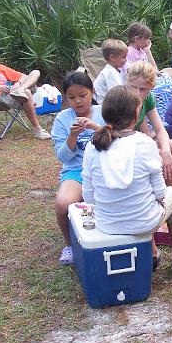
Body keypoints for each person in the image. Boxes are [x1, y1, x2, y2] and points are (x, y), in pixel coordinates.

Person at [82, 85, 172, 278]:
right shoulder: (144, 143)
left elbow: (88, 196)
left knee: (142, 202)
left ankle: (154, 254)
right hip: (143, 222)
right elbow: (159, 193)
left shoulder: (93, 144)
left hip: (106, 223)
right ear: (136, 114)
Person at [51, 72, 104, 265]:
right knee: (63, 203)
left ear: (92, 92)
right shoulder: (63, 119)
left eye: (82, 95)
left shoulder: (104, 112)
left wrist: (97, 128)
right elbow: (62, 157)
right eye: (71, 98)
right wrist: (72, 137)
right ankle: (70, 245)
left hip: (104, 168)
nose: (78, 102)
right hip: (76, 172)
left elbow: (117, 140)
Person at [124, 61, 172, 188]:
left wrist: (166, 151)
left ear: (151, 87)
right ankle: (158, 194)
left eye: (142, 89)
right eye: (133, 87)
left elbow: (159, 128)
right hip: (123, 146)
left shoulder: (148, 98)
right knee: (157, 155)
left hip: (140, 141)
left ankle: (170, 192)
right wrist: (157, 150)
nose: (137, 93)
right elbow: (119, 136)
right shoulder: (122, 99)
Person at [93, 39, 127, 104]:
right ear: (112, 57)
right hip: (102, 106)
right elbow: (117, 95)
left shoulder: (116, 70)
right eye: (123, 57)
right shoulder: (110, 73)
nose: (126, 60)